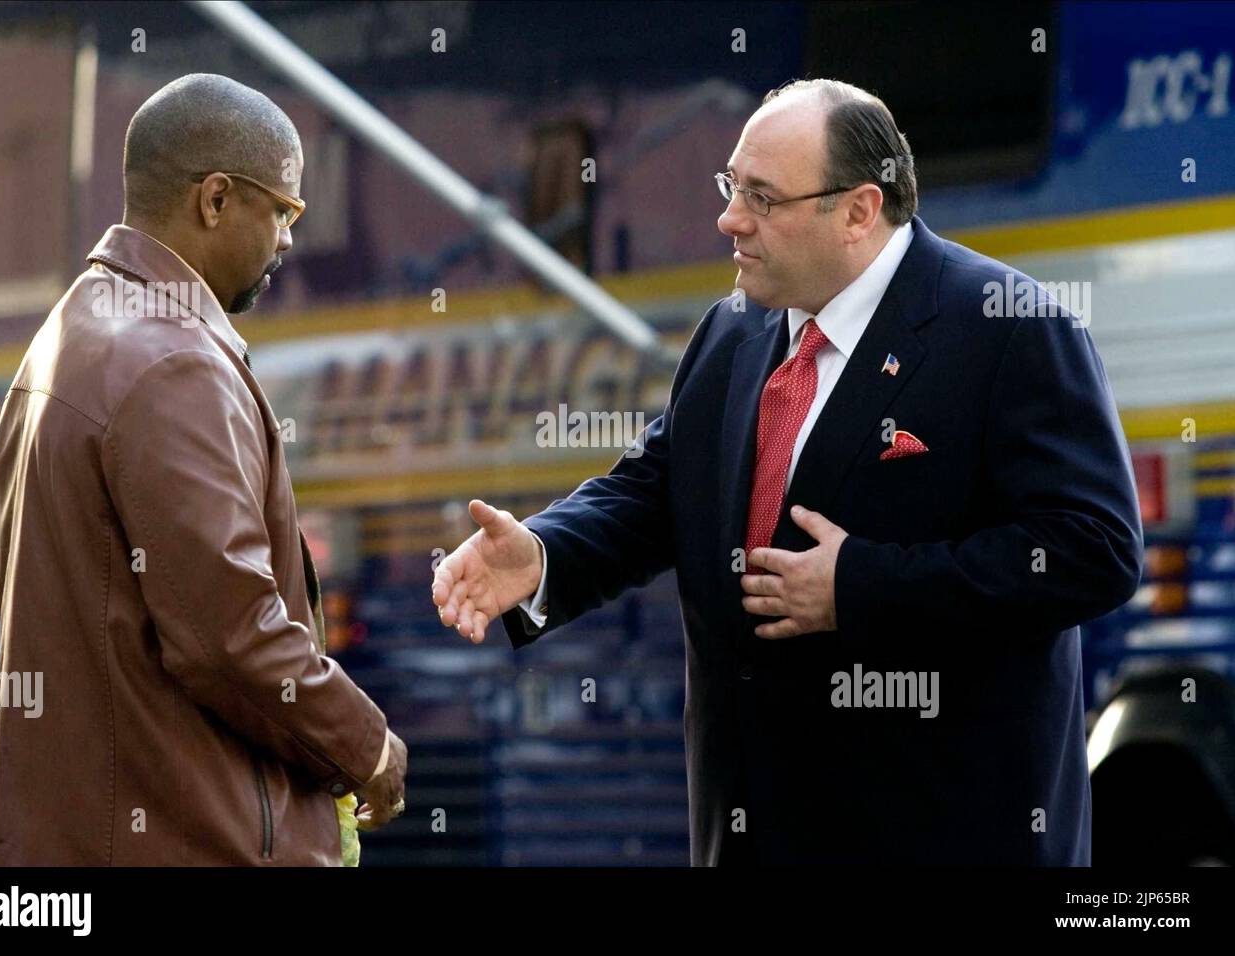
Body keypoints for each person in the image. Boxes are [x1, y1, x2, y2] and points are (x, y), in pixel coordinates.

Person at [431, 78, 1142, 865]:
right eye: (732, 187)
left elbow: (1093, 552)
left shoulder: (1007, 328)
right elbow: (658, 490)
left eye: (762, 198)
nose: (729, 219)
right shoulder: (733, 332)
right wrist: (543, 554)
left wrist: (860, 587)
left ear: (859, 211)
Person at [0, 73, 405, 866]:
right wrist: (367, 745)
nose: (286, 241)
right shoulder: (172, 359)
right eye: (280, 210)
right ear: (215, 200)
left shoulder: (71, 331)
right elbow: (229, 634)